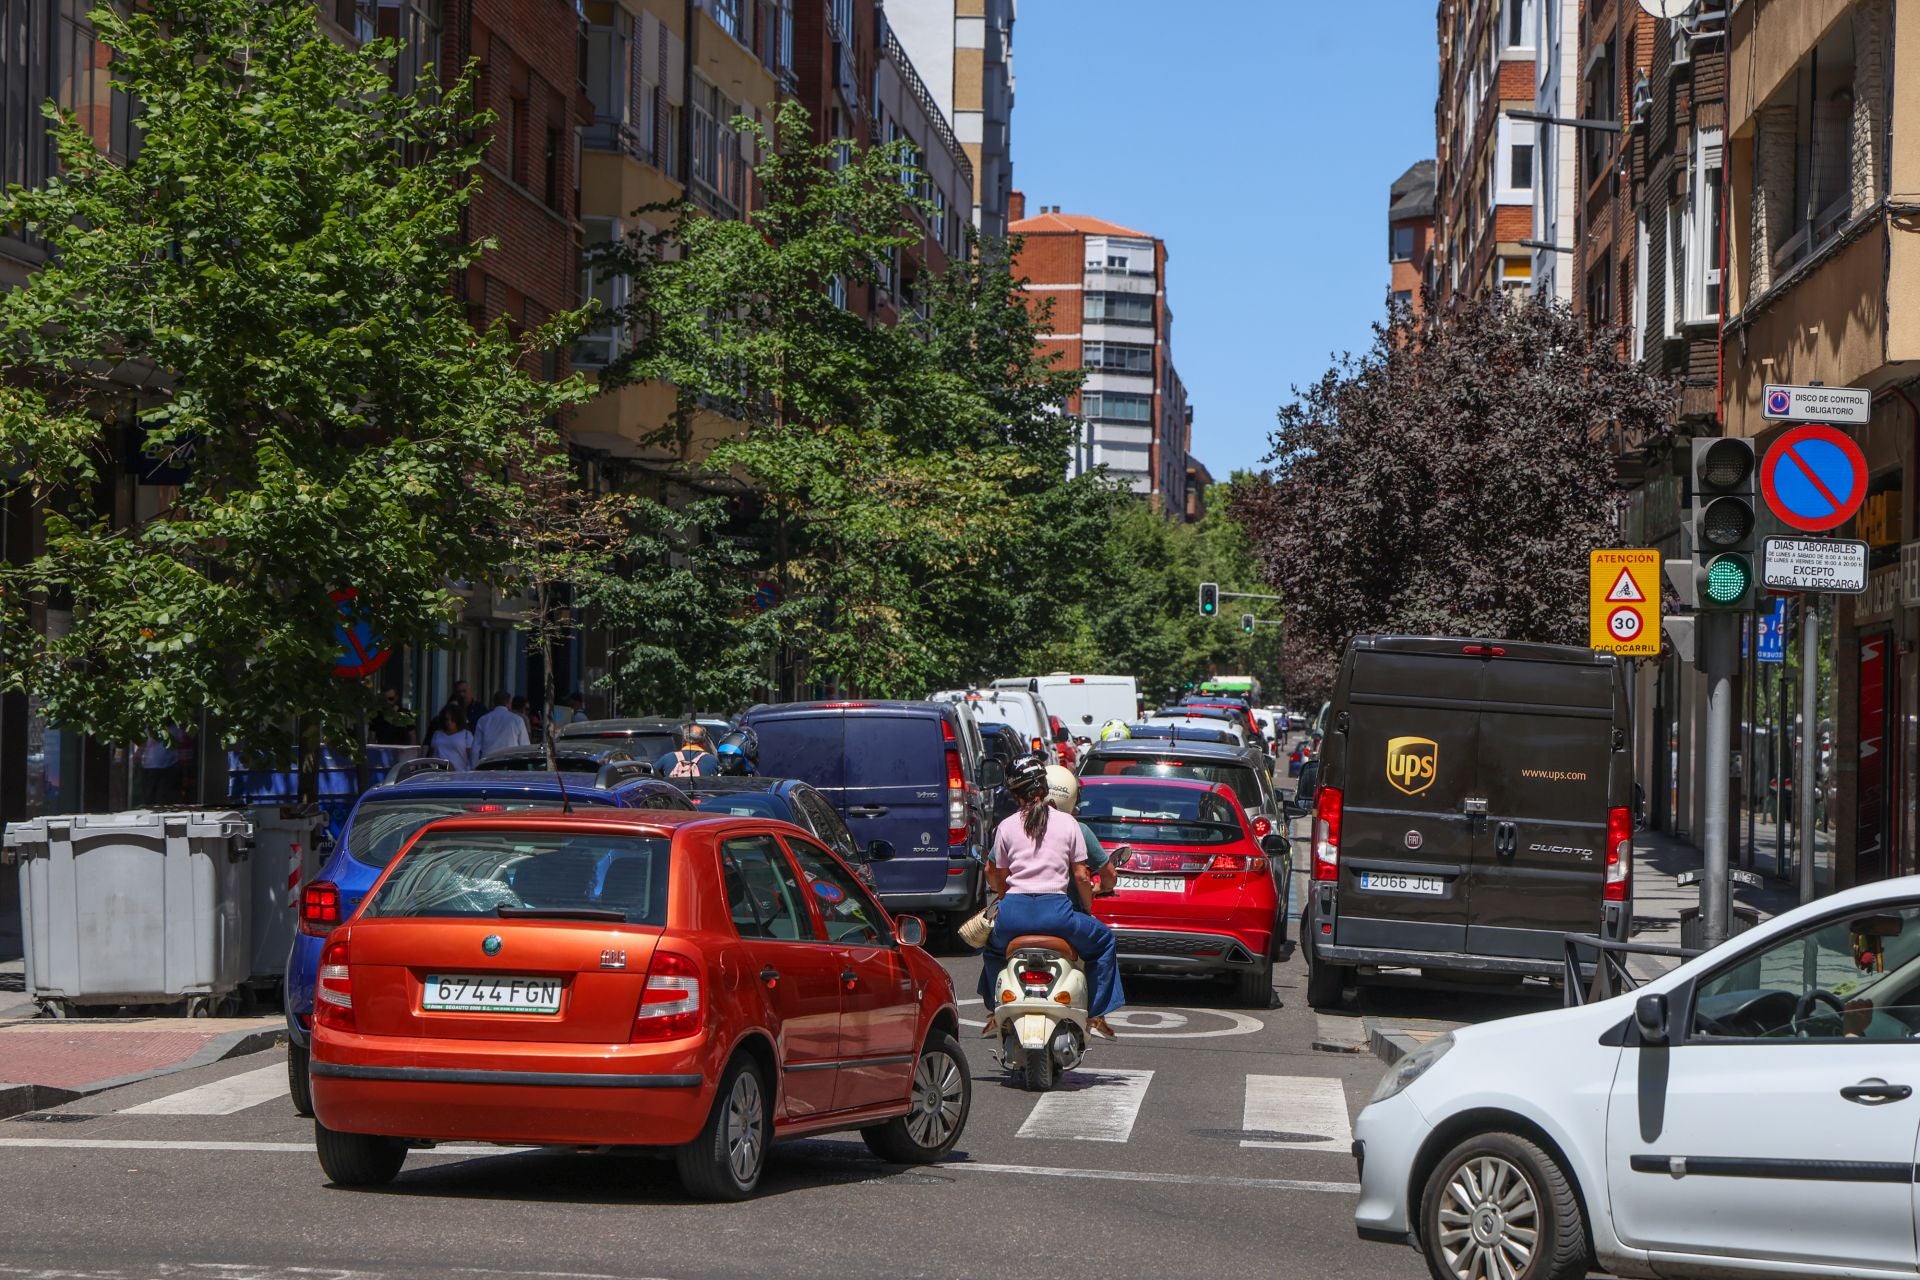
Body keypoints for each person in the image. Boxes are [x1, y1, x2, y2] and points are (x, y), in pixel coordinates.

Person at [977, 755, 1124, 1040]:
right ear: (1043, 786)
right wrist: (1088, 909)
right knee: (1104, 941)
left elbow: (994, 874)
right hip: (1057, 915)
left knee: (992, 949)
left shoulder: (1005, 827)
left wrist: (1005, 897)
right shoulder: (1068, 824)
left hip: (1012, 916)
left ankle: (996, 1010)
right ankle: (1096, 1015)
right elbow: (1081, 877)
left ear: (1015, 794)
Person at [1046, 765, 1119, 911]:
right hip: (1064, 910)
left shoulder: (1012, 824)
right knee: (1105, 935)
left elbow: (993, 871)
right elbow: (1083, 876)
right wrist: (1088, 905)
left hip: (1018, 909)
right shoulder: (1077, 829)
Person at [473, 691, 530, 760]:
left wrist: (474, 766)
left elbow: (476, 747)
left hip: (488, 763)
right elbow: (525, 747)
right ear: (509, 703)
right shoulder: (517, 720)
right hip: (510, 762)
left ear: (493, 703)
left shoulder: (483, 720)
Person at [135, 726, 183, 807]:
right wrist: (137, 757)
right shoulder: (148, 729)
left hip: (169, 765)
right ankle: (149, 810)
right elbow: (142, 745)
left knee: (165, 793)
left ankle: (161, 809)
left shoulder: (174, 729)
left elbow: (180, 745)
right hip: (150, 765)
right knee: (150, 793)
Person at [425, 705, 476, 771]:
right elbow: (431, 756)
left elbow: (471, 757)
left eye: (452, 720)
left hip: (459, 774)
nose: (449, 722)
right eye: (447, 719)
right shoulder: (437, 734)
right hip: (439, 774)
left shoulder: (466, 735)